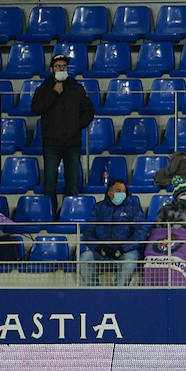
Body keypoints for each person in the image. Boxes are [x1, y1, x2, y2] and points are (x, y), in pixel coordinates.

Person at [31, 52, 95, 211]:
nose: (62, 69)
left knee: (72, 183)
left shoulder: (76, 87)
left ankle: (69, 216)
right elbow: (36, 108)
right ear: (52, 69)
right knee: (50, 183)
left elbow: (89, 110)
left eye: (64, 66)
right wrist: (54, 93)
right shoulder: (44, 88)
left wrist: (78, 125)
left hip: (73, 143)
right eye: (58, 66)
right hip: (51, 143)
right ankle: (50, 216)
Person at [80, 177, 148, 287]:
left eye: (124, 191)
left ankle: (118, 293)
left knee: (130, 261)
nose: (122, 194)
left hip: (125, 251)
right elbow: (88, 231)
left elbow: (141, 232)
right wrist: (99, 247)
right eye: (118, 191)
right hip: (101, 251)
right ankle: (94, 292)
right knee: (85, 258)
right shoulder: (98, 208)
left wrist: (123, 248)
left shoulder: (133, 208)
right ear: (109, 192)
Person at [145, 177, 186, 287]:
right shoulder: (165, 210)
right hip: (167, 244)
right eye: (183, 193)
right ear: (176, 196)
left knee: (178, 259)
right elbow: (158, 231)